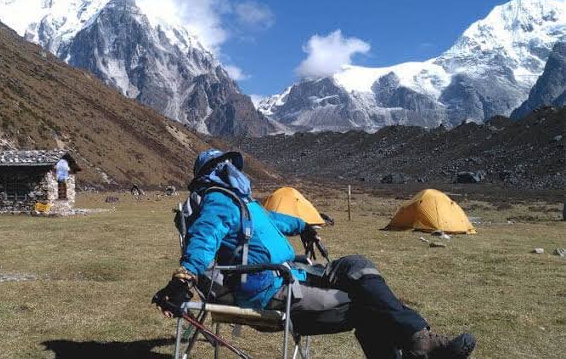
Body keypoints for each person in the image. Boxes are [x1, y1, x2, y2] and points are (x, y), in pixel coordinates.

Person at [153, 149, 477, 359]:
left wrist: (303, 225)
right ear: (213, 172)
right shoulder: (218, 200)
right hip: (271, 290)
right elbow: (203, 238)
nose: (233, 169)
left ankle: (420, 339)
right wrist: (184, 277)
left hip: (290, 274)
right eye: (225, 165)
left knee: (356, 266)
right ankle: (421, 341)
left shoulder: (243, 203)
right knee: (364, 303)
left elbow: (272, 220)